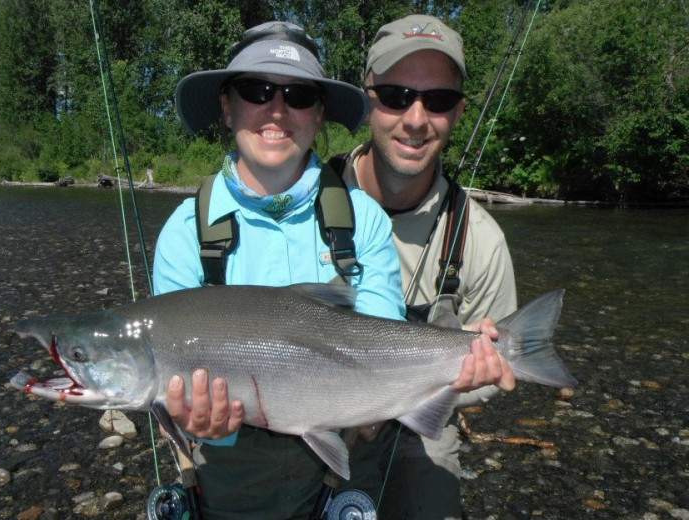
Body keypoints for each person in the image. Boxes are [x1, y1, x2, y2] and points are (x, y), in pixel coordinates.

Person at [153, 20, 513, 520]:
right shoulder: (183, 232)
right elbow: (177, 402)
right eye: (256, 90)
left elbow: (381, 332)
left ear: (319, 114)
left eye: (299, 95)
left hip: (344, 440)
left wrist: (463, 360)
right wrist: (203, 423)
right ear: (226, 104)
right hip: (232, 471)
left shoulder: (360, 217)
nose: (277, 110)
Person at [337, 14, 519, 520]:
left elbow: (484, 380)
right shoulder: (302, 201)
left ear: (458, 112)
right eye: (396, 95)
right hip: (305, 404)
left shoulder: (480, 240)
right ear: (367, 98)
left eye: (437, 100)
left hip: (417, 425)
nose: (416, 119)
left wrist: (473, 375)